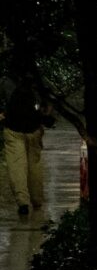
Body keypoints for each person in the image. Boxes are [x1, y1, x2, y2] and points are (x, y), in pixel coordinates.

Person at [3, 77, 56, 222]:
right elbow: (51, 100)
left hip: (13, 129)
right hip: (34, 129)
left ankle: (23, 202)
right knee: (35, 165)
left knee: (17, 166)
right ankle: (37, 200)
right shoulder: (40, 82)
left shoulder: (7, 81)